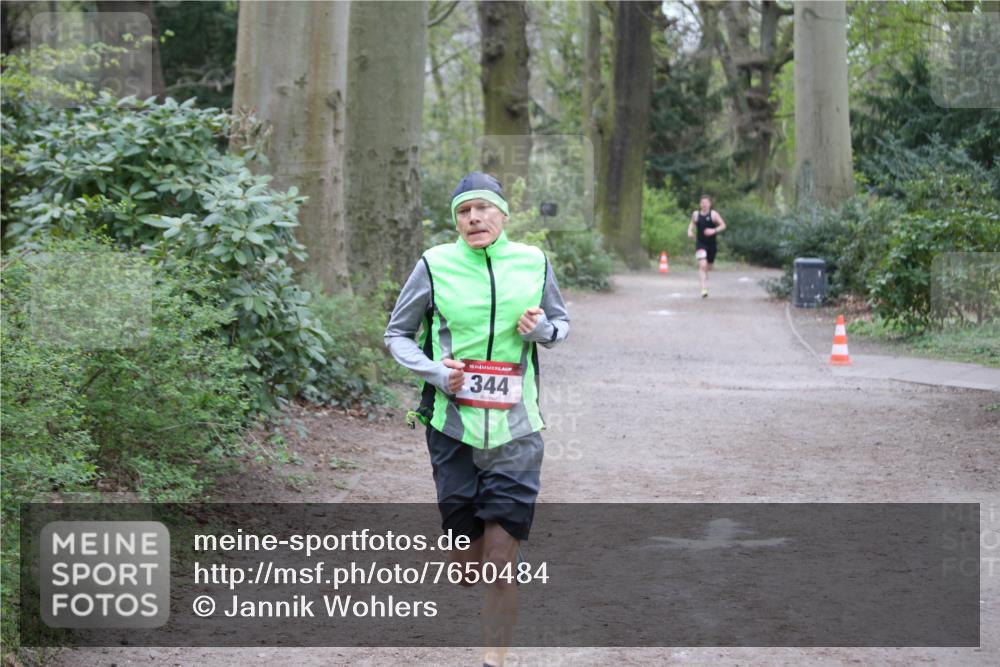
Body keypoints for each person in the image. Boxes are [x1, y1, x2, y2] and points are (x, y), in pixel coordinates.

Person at [384, 172, 570, 667]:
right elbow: (396, 335)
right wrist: (435, 371)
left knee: (499, 562)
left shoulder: (533, 262)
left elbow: (561, 324)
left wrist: (543, 329)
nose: (474, 218)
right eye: (464, 212)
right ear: (456, 222)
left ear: (503, 215)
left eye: (483, 209)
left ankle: (495, 660)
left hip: (517, 430)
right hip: (453, 429)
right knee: (468, 568)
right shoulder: (434, 264)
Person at [687, 194, 727, 298]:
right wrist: (690, 231)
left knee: (709, 267)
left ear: (710, 204)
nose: (704, 205)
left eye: (706, 203)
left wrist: (713, 230)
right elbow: (692, 223)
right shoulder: (696, 214)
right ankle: (703, 289)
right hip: (700, 243)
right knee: (702, 265)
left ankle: (705, 273)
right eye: (702, 203)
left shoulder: (713, 214)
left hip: (711, 245)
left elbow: (723, 225)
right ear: (700, 204)